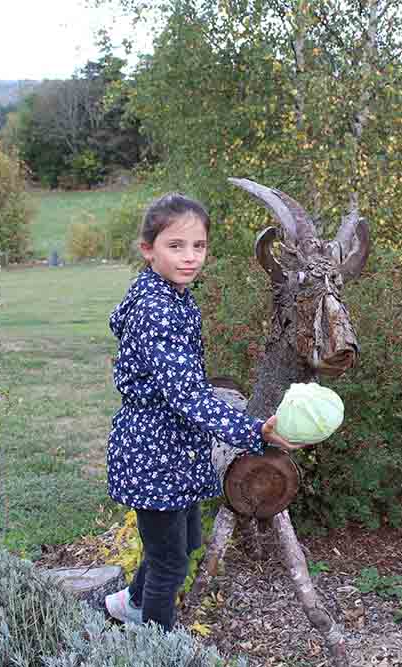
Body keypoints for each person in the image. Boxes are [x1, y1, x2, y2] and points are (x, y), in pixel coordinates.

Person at [101, 193, 302, 631]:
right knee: (170, 562)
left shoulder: (172, 294)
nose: (190, 257)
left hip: (175, 449)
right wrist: (255, 433)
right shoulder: (157, 310)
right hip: (152, 452)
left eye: (199, 246)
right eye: (176, 246)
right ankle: (153, 647)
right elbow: (188, 395)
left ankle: (130, 604)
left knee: (182, 541)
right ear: (148, 249)